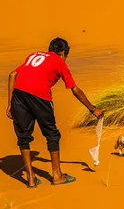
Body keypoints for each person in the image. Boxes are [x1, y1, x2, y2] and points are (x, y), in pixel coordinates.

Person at [7, 37, 104, 188]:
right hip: (40, 96)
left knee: (23, 136)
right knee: (52, 134)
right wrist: (93, 109)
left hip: (18, 95)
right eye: (66, 56)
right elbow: (74, 89)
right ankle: (57, 175)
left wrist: (9, 104)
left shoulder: (34, 55)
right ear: (63, 53)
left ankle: (31, 178)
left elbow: (12, 74)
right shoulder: (59, 62)